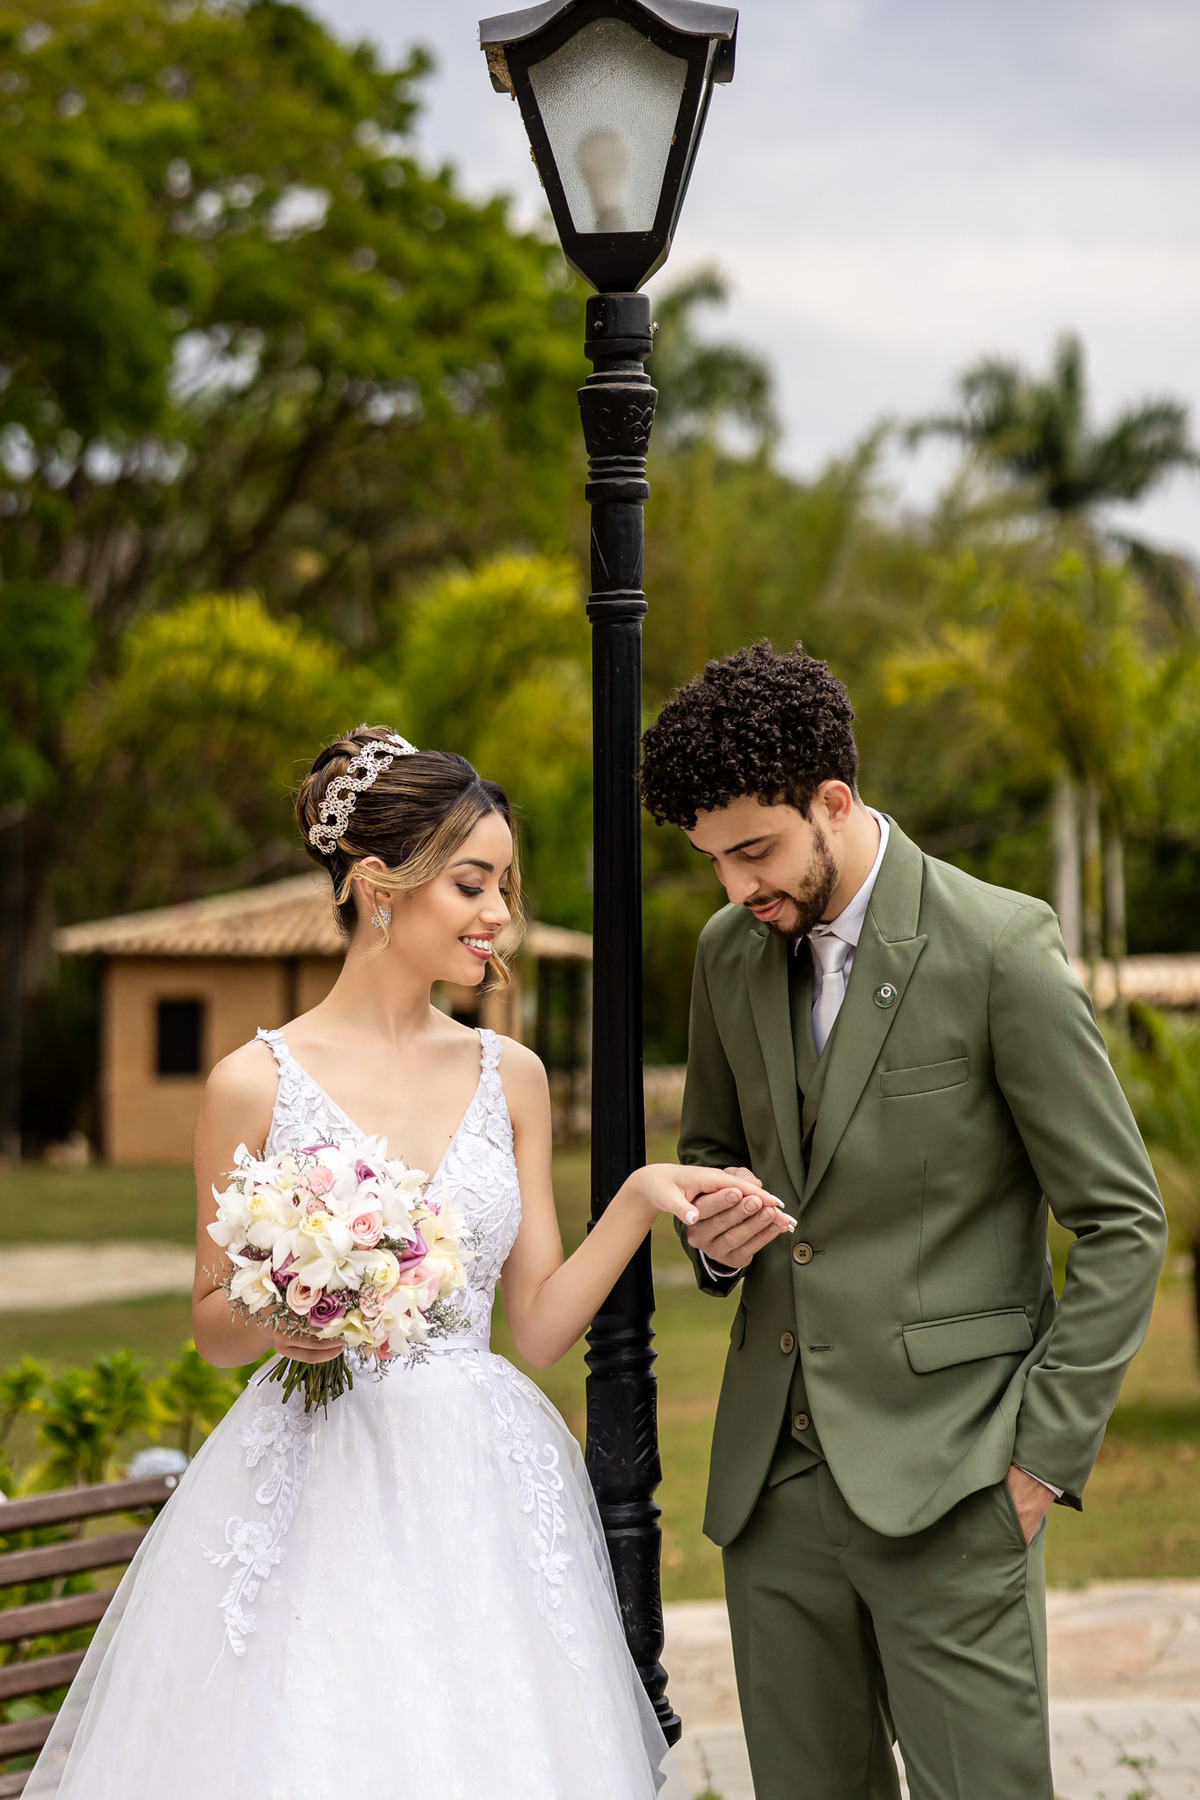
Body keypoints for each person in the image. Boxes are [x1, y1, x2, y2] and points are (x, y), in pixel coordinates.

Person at [28, 724, 789, 1800]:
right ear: (378, 887)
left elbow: (537, 1327)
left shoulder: (511, 1075)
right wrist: (290, 1318)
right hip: (316, 1482)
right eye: (472, 884)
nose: (499, 915)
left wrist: (633, 1201)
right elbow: (211, 1324)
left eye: (505, 887)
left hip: (480, 1482)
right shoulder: (252, 1085)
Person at [639, 642, 1168, 1800]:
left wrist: (1039, 1462)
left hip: (958, 1478)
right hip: (774, 1487)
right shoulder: (728, 956)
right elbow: (712, 1156)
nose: (735, 888)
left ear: (835, 801)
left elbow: (1123, 1220)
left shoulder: (998, 947)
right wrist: (711, 1238)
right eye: (712, 860)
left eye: (755, 852)